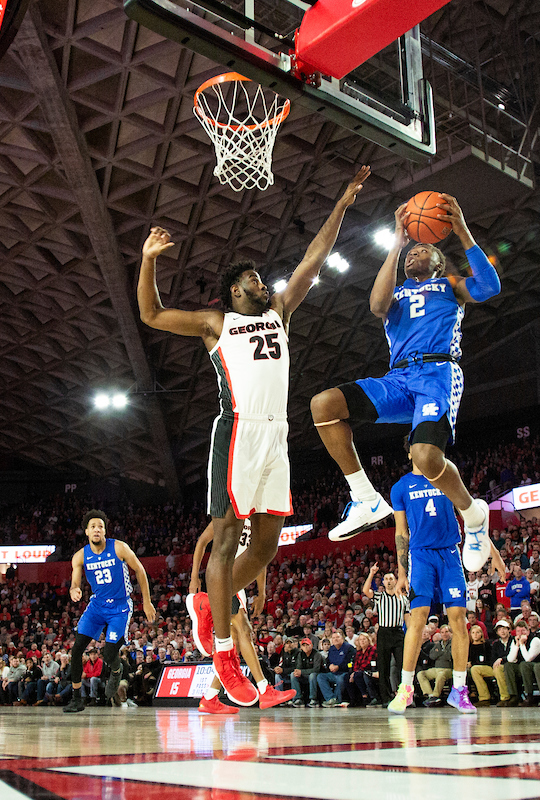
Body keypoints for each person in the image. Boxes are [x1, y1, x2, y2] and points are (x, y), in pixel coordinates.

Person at [139, 167, 370, 707]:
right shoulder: (214, 324)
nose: (264, 284)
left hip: (276, 436)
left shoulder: (281, 311)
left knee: (266, 544)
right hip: (237, 432)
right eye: (254, 280)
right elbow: (149, 314)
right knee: (225, 538)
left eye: (264, 279)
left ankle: (207, 603)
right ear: (233, 291)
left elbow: (313, 258)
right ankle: (222, 650)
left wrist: (343, 198)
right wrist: (149, 261)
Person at [310, 194, 501, 577]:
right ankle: (365, 498)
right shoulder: (396, 294)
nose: (416, 252)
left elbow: (489, 287)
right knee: (324, 404)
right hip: (398, 376)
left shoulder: (452, 285)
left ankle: (473, 515)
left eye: (424, 248)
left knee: (427, 458)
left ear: (440, 260)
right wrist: (396, 244)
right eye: (412, 250)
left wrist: (461, 228)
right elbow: (376, 305)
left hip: (437, 373)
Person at [386, 449, 505, 715]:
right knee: (417, 618)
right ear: (409, 452)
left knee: (459, 619)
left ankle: (459, 691)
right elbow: (401, 532)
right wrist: (402, 572)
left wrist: (493, 553)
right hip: (421, 556)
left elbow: (473, 518)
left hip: (451, 553)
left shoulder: (445, 474)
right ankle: (405, 690)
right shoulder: (400, 487)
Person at [188, 520, 295, 713]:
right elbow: (202, 541)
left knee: (234, 641)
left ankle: (210, 697)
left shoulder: (257, 520)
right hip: (224, 578)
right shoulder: (231, 514)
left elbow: (259, 560)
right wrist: (194, 576)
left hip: (239, 585)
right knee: (244, 630)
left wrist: (261, 593)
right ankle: (264, 689)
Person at [62, 510, 157, 713]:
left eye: (101, 527)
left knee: (109, 652)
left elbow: (140, 570)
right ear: (87, 531)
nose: (97, 529)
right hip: (97, 606)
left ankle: (116, 669)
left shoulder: (119, 548)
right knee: (77, 649)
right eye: (93, 526)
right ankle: (76, 698)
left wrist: (146, 602)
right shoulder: (80, 556)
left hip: (120, 607)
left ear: (105, 531)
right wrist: (74, 589)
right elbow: (75, 582)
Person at [362, 565, 408, 702]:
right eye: (386, 579)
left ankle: (404, 695)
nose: (388, 581)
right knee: (384, 667)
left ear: (395, 581)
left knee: (402, 665)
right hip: (384, 632)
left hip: (398, 632)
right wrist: (371, 573)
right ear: (383, 582)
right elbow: (365, 590)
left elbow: (407, 618)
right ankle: (386, 697)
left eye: (391, 578)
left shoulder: (403, 598)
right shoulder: (379, 596)